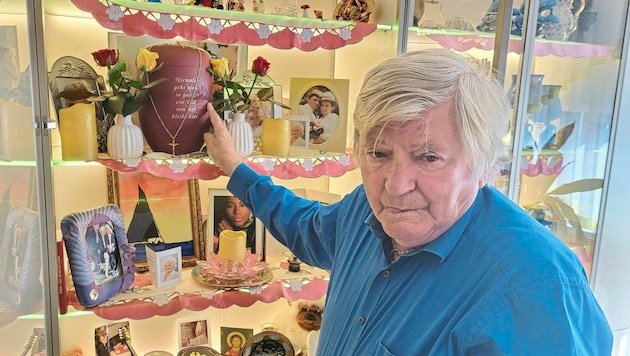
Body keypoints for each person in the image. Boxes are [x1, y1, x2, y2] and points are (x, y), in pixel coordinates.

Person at [203, 49, 612, 354]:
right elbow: (307, 227)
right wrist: (235, 169)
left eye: (429, 157)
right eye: (379, 154)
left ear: (483, 164)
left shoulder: (537, 288)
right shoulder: (364, 207)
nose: (395, 186)